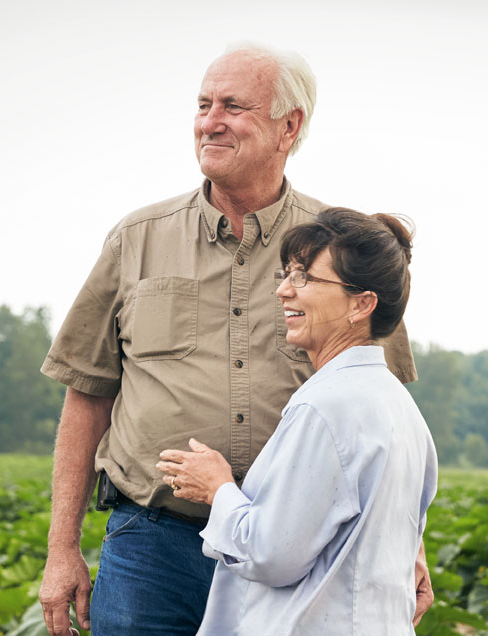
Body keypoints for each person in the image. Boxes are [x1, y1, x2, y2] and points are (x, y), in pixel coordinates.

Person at [37, 45, 428, 636]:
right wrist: (61, 548)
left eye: (233, 106)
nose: (209, 121)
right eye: (202, 104)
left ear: (288, 126)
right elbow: (86, 394)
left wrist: (407, 543)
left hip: (296, 555)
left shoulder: (342, 249)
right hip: (153, 545)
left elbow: (382, 417)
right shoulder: (136, 240)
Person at [156, 208, 437, 635]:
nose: (284, 291)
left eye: (304, 277)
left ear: (361, 304)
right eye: (287, 274)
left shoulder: (326, 407)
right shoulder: (401, 406)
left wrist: (218, 488)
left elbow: (274, 554)